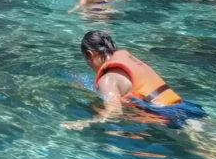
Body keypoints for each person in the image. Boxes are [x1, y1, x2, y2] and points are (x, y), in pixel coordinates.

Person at [62, 30, 190, 129]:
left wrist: (85, 122)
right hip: (186, 108)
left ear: (90, 54)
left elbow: (113, 114)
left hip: (170, 117)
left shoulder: (107, 80)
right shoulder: (130, 61)